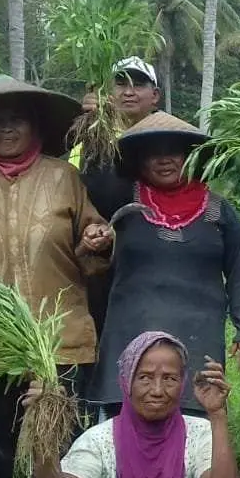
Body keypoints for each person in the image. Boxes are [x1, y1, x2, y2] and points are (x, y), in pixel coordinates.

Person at [0, 77, 110, 478]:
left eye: (17, 120)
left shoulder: (63, 177)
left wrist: (97, 240)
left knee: (52, 441)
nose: (7, 129)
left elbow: (92, 243)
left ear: (34, 127)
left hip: (60, 337)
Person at [89, 112, 240, 417]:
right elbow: (91, 184)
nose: (164, 159)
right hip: (129, 333)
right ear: (139, 161)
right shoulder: (122, 203)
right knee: (124, 427)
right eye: (153, 153)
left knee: (192, 426)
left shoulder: (218, 210)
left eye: (174, 151)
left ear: (192, 157)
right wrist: (95, 120)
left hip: (198, 337)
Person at [32, 331, 240, 478]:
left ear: (183, 384)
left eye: (170, 379)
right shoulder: (99, 439)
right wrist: (45, 435)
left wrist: (217, 415)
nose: (157, 390)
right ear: (126, 382)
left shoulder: (199, 432)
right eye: (144, 377)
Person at [78, 57, 162, 337]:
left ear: (155, 96)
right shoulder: (89, 137)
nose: (128, 92)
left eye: (138, 84)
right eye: (120, 83)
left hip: (153, 260)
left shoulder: (170, 140)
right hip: (98, 261)